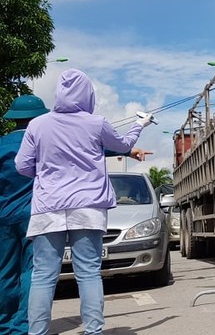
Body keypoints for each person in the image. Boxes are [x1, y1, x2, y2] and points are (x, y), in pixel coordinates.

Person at [14, 69, 154, 335]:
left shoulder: (37, 125)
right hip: (87, 207)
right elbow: (124, 145)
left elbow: (22, 166)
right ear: (87, 94)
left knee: (43, 276)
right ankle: (93, 331)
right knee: (88, 273)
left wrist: (46, 172)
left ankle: (37, 332)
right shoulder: (96, 123)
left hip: (48, 207)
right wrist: (141, 124)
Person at [0, 95, 49, 335]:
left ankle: (4, 325)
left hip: (4, 218)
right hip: (35, 216)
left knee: (6, 272)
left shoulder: (2, 145)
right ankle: (25, 324)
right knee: (33, 271)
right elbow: (86, 148)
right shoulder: (43, 144)